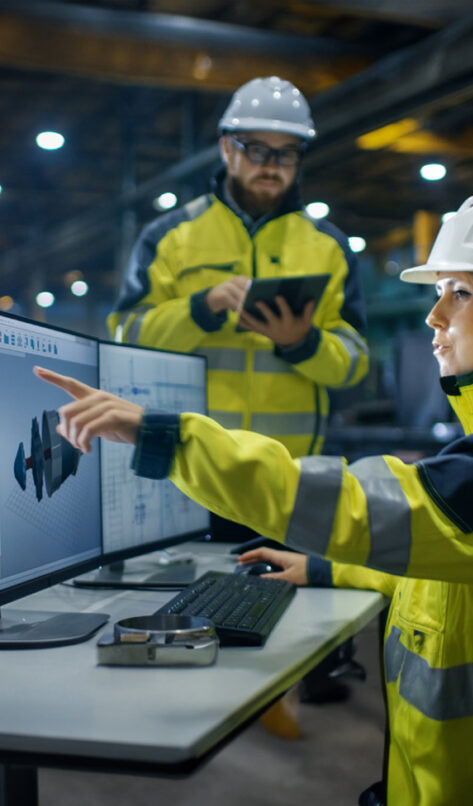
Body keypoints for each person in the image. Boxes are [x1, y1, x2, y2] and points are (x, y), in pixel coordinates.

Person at [39, 189, 473, 806]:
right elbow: (471, 562)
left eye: (459, 292)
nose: (435, 316)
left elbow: (370, 507)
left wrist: (168, 436)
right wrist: (330, 571)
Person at [107, 75, 369, 539]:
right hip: (186, 470)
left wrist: (302, 343)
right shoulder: (169, 236)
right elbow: (126, 335)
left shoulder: (329, 247)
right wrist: (201, 308)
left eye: (286, 153)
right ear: (227, 148)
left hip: (288, 478)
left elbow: (354, 365)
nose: (272, 165)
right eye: (257, 149)